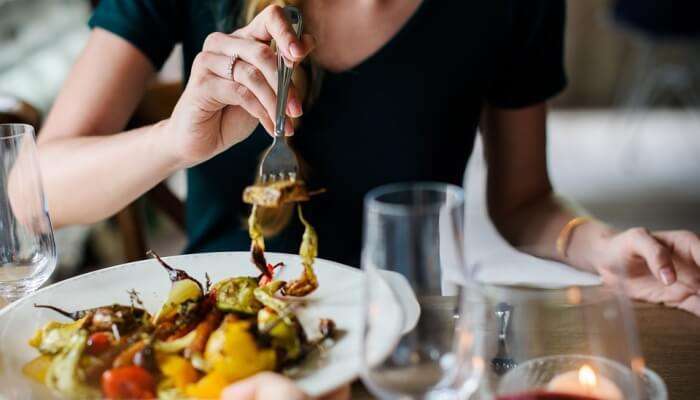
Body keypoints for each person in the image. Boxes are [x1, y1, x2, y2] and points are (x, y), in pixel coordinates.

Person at [35, 0, 700, 396]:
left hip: (401, 359)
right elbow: (33, 191)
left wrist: (600, 246)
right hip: (212, 362)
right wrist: (176, 142)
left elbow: (526, 200)